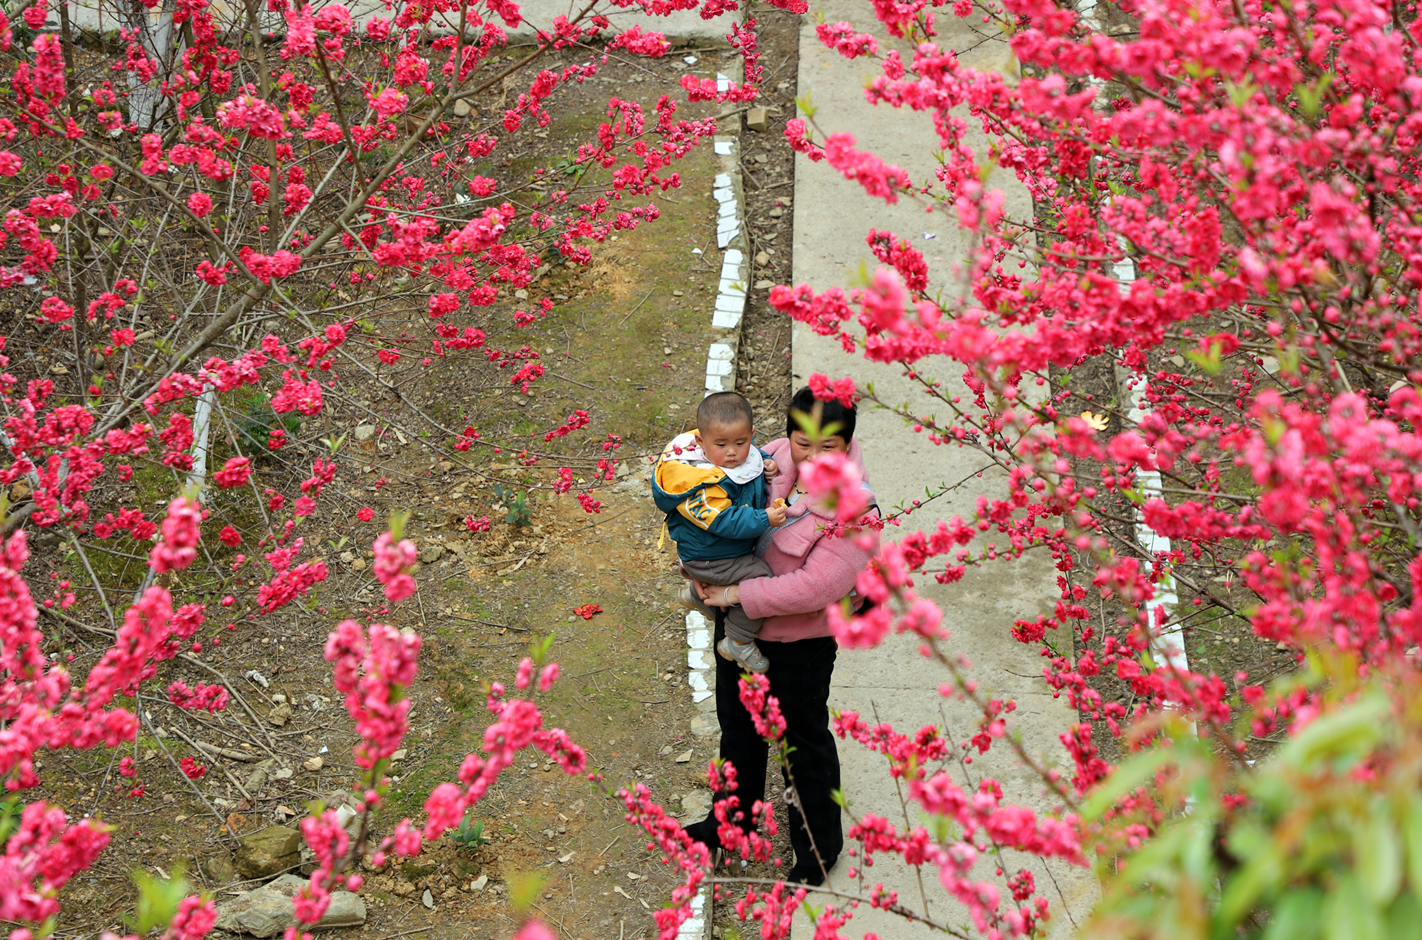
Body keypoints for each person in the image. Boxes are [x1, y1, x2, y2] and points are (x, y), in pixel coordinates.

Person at [682, 386, 877, 888]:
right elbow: (715, 511)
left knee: (802, 746)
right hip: (740, 636)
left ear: (847, 443)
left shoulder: (856, 510)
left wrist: (732, 594)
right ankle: (730, 825)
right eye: (802, 443)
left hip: (799, 649)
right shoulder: (765, 459)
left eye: (827, 447)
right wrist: (701, 567)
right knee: (738, 733)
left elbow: (816, 587)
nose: (811, 458)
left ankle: (817, 850)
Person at [653, 392, 787, 673]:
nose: (732, 452)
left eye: (741, 442)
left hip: (715, 552)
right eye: (722, 444)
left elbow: (751, 457)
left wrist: (765, 460)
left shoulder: (734, 457)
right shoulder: (700, 480)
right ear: (701, 443)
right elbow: (724, 520)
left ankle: (697, 595)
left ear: (751, 434)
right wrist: (764, 518)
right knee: (760, 577)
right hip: (710, 557)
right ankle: (738, 640)